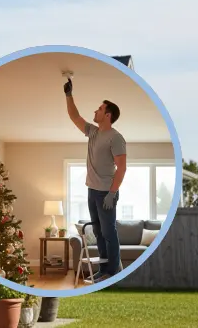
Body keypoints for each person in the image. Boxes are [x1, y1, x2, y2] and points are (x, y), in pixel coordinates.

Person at [64, 77, 127, 282]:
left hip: (105, 192)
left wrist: (112, 192)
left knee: (109, 232)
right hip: (92, 190)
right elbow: (74, 117)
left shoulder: (115, 138)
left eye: (99, 109)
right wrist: (68, 94)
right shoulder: (92, 132)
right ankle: (103, 270)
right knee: (98, 232)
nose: (95, 111)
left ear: (107, 115)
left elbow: (122, 167)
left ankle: (113, 272)